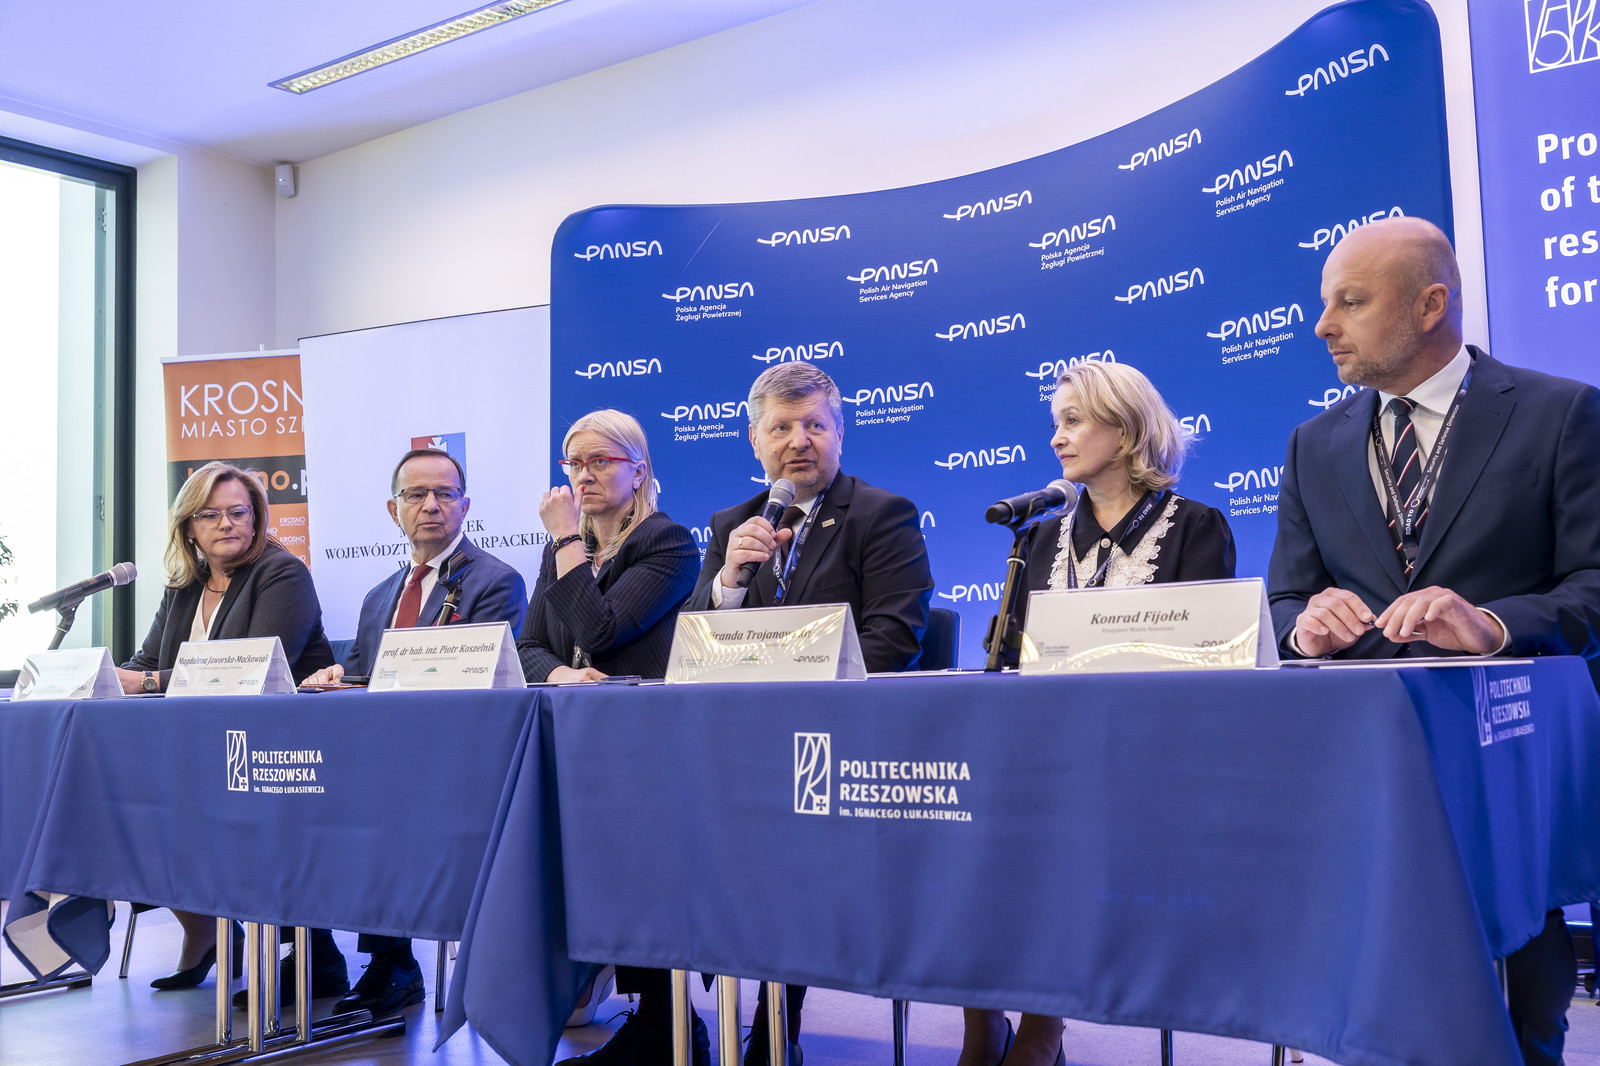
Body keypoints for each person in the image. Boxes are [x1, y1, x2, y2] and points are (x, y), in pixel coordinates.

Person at [1268, 215, 1600, 1066]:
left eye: (1350, 302)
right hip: (1360, 767)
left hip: (1504, 759)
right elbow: (1286, 597)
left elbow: (1594, 585)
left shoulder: (1561, 412)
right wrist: (1305, 627)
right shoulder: (1311, 444)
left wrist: (1494, 626)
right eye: (1325, 303)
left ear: (1429, 305)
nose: (1323, 325)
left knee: (1518, 1013)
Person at [561, 363, 934, 1066]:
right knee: (642, 809)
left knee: (778, 826)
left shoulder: (882, 515)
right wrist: (730, 581)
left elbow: (893, 642)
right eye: (781, 428)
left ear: (839, 433)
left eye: (815, 424)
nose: (799, 441)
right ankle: (664, 1020)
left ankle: (774, 1024)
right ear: (756, 442)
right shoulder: (732, 524)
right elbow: (694, 645)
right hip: (737, 748)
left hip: (836, 746)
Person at [961, 361, 1235, 1066]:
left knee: (1050, 823)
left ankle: (1043, 1024)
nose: (1057, 437)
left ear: (1126, 430)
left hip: (1149, 755)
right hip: (1044, 751)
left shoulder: (1196, 526)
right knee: (967, 819)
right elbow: (1009, 658)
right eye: (1055, 422)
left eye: (1073, 421)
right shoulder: (1038, 538)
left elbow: (1208, 663)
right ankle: (981, 1023)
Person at [295, 447, 528, 1019]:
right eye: (416, 494)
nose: (431, 505)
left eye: (445, 494)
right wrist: (336, 678)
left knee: (382, 801)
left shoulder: (496, 581)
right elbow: (366, 678)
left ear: (465, 506)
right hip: (383, 759)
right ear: (393, 509)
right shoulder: (379, 596)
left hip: (456, 761)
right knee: (303, 795)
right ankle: (319, 951)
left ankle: (394, 962)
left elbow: (479, 683)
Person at [118, 460, 335, 990]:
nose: (226, 524)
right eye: (210, 515)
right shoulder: (185, 586)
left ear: (257, 518)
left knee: (172, 802)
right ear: (189, 527)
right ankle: (205, 928)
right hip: (199, 746)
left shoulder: (282, 573)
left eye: (238, 512)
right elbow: (146, 661)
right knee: (125, 804)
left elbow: (249, 666)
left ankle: (315, 954)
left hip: (276, 751)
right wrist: (110, 677)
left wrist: (146, 683)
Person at [518, 409, 698, 682]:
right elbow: (527, 647)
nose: (584, 476)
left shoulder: (668, 542)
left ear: (638, 473)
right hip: (569, 705)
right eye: (575, 464)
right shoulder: (558, 549)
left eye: (600, 461)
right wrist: (563, 675)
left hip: (638, 705)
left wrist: (566, 535)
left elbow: (599, 632)